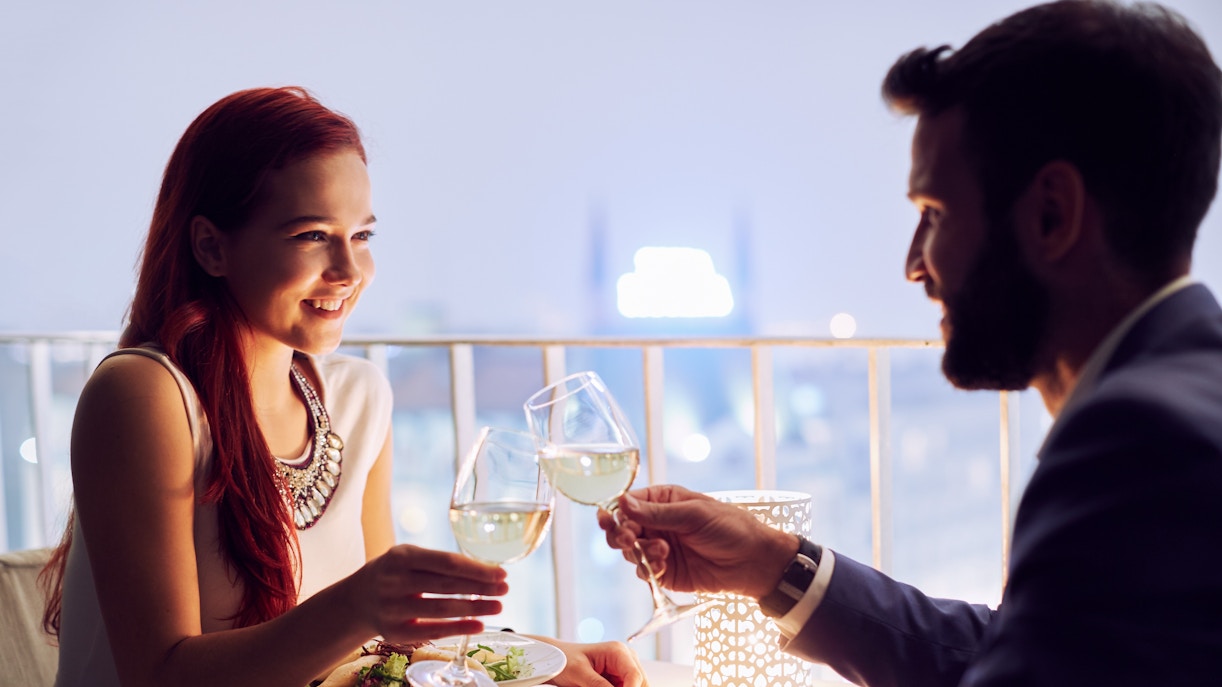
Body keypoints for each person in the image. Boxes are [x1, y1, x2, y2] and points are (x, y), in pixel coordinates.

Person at [600, 1, 1222, 685]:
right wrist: (773, 565)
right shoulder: (1182, 404)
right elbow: (1021, 650)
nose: (914, 264)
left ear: (1052, 213)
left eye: (934, 214)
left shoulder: (1134, 444)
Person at [39, 86, 643, 687]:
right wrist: (358, 605)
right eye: (311, 235)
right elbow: (160, 675)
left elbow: (389, 641)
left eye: (361, 237)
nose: (350, 272)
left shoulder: (358, 398)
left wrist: (550, 656)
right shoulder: (144, 395)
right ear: (211, 246)